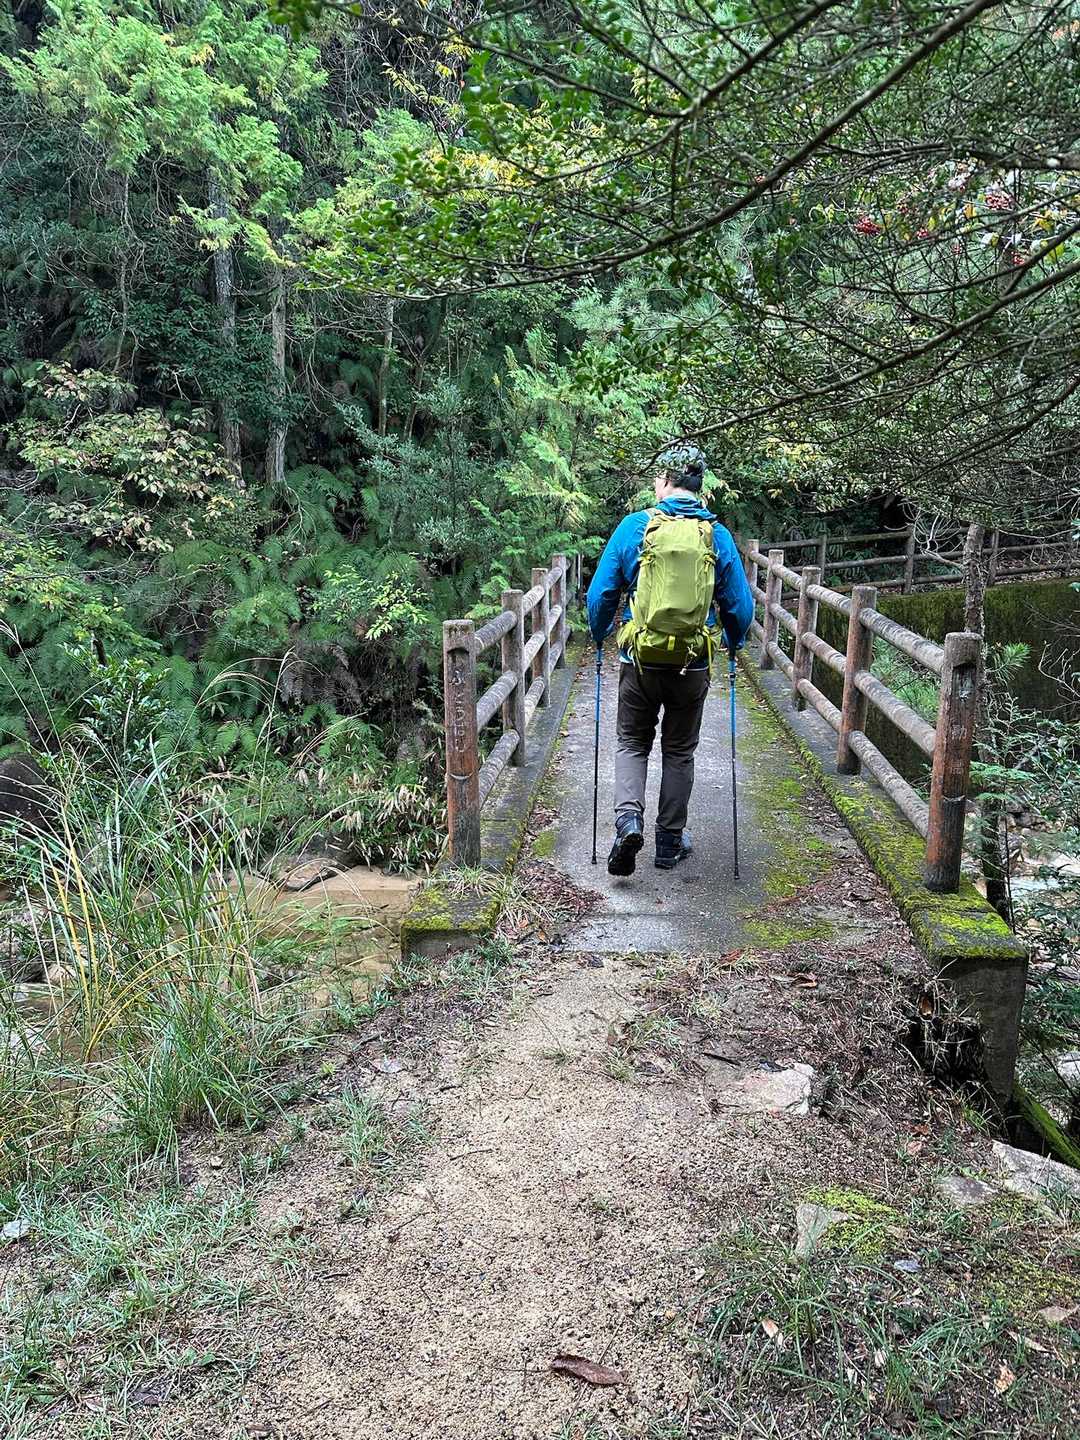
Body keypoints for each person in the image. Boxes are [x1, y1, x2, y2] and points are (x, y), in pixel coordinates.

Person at [586, 443, 754, 876]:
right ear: (701, 485)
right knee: (679, 751)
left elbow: (601, 594)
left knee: (632, 742)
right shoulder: (716, 535)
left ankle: (628, 823)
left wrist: (600, 633)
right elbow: (740, 607)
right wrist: (733, 643)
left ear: (663, 481)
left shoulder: (635, 527)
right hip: (692, 663)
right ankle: (668, 843)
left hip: (638, 659)